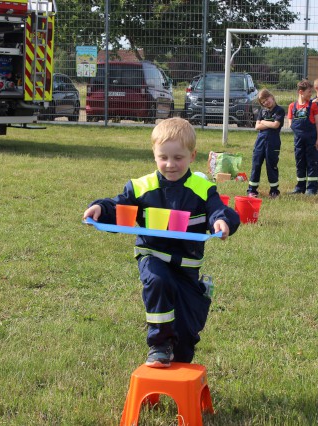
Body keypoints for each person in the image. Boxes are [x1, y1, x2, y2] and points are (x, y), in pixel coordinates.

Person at [82, 117, 240, 368]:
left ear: (192, 155)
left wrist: (222, 221)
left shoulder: (202, 188)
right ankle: (159, 344)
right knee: (158, 281)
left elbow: (217, 210)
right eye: (163, 157)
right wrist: (101, 208)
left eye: (178, 158)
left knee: (187, 333)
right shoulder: (141, 186)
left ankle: (179, 361)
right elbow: (118, 205)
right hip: (152, 256)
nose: (170, 164)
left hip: (187, 269)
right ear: (154, 155)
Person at [247, 88, 285, 199]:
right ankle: (252, 190)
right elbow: (256, 126)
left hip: (273, 143)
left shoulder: (279, 110)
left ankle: (274, 191)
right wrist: (267, 122)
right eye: (263, 102)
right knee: (256, 164)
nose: (265, 103)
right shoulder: (262, 111)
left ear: (272, 97)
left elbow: (276, 125)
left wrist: (263, 121)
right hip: (260, 142)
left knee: (271, 165)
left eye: (266, 99)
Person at [288, 80, 318, 195]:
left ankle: (312, 188)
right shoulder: (292, 106)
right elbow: (291, 124)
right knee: (300, 162)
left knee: (312, 162)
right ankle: (300, 187)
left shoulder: (313, 106)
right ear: (301, 92)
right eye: (309, 92)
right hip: (298, 140)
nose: (310, 94)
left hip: (311, 139)